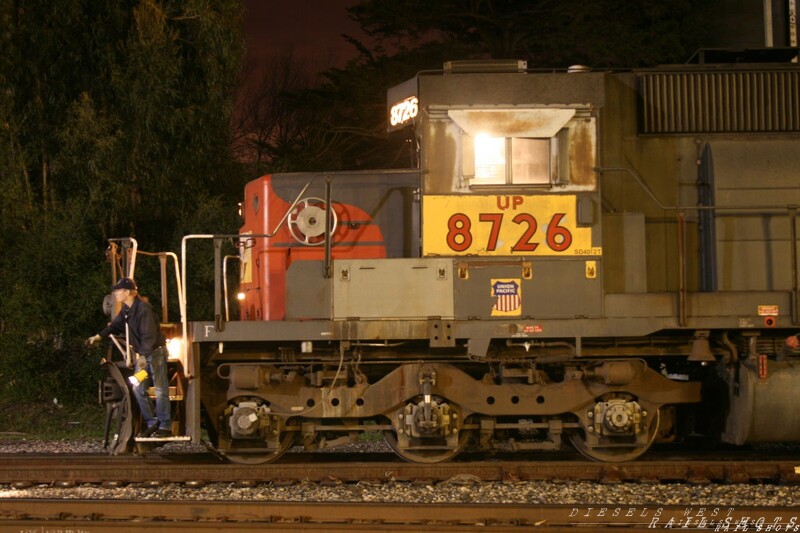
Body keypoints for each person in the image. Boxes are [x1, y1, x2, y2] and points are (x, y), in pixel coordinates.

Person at [88, 277, 171, 438]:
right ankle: (152, 423)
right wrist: (99, 336)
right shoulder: (127, 309)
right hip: (145, 356)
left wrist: (142, 356)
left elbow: (149, 336)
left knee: (161, 389)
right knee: (137, 386)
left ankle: (165, 426)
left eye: (118, 291)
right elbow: (115, 325)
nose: (116, 294)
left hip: (155, 355)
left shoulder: (144, 309)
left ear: (127, 292)